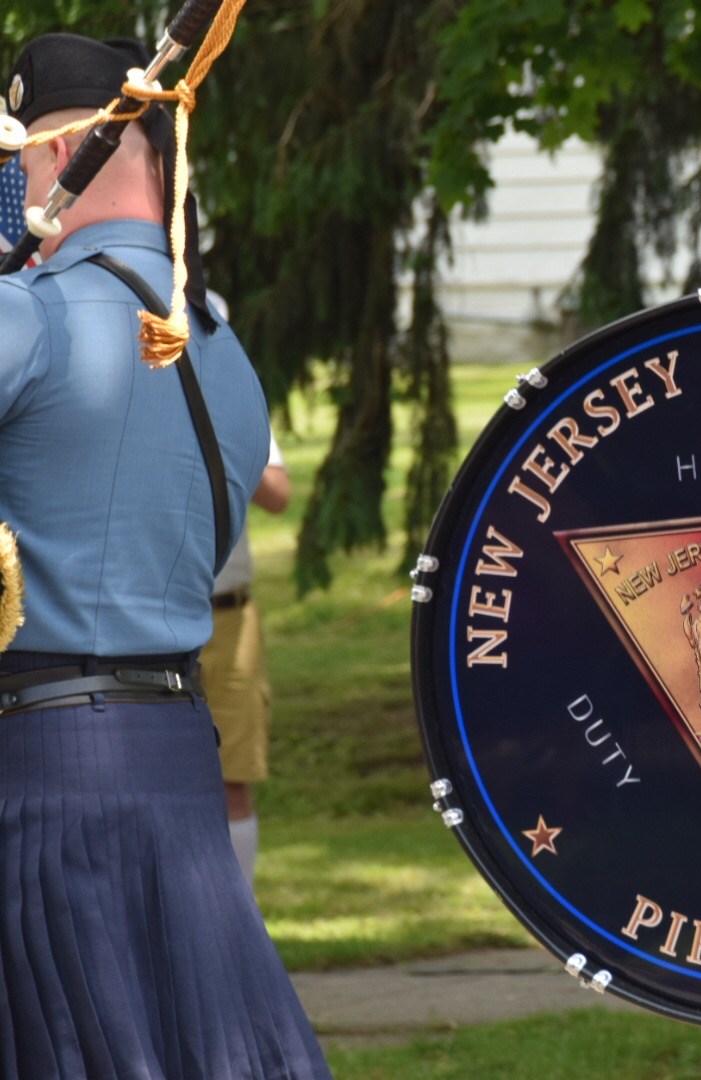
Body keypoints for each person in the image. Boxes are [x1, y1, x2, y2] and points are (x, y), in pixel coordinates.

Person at [0, 34, 329, 1078]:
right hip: (181, 766)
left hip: (47, 778)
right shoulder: (227, 353)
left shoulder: (32, 324)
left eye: (16, 157)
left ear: (65, 154)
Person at [203, 439, 291, 886]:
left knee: (232, 778)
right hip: (148, 617)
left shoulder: (231, 389)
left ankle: (242, 918)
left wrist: (220, 435)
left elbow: (278, 496)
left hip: (230, 618)